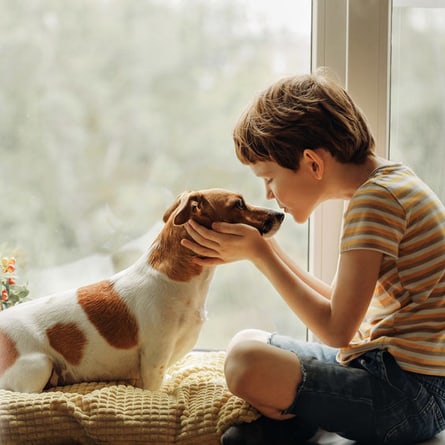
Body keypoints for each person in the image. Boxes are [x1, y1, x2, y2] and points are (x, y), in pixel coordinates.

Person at [181, 71, 445, 444]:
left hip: (407, 396)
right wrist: (266, 248)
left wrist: (261, 255)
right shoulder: (386, 186)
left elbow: (337, 330)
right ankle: (299, 420)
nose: (269, 195)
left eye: (269, 178)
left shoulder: (375, 202)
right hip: (393, 374)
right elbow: (343, 312)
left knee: (244, 362)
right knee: (248, 339)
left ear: (313, 164)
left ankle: (295, 419)